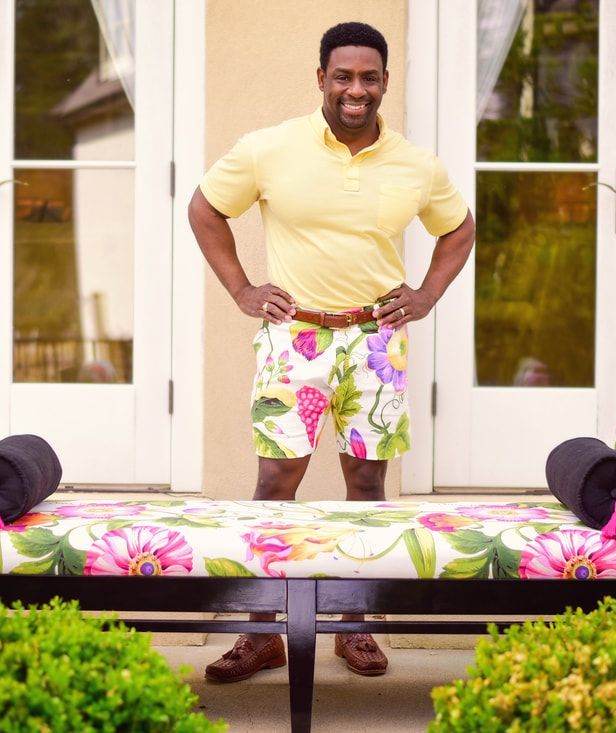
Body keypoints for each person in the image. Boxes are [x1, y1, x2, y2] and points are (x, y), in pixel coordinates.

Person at [188, 21, 474, 682]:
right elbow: (206, 209)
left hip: (376, 342)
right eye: (343, 76)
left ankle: (353, 626)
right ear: (321, 78)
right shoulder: (268, 148)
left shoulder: (416, 163)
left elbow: (459, 230)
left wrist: (427, 292)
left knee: (366, 485)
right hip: (296, 339)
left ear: (384, 83)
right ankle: (263, 633)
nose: (356, 89)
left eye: (369, 77)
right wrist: (241, 287)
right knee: (275, 484)